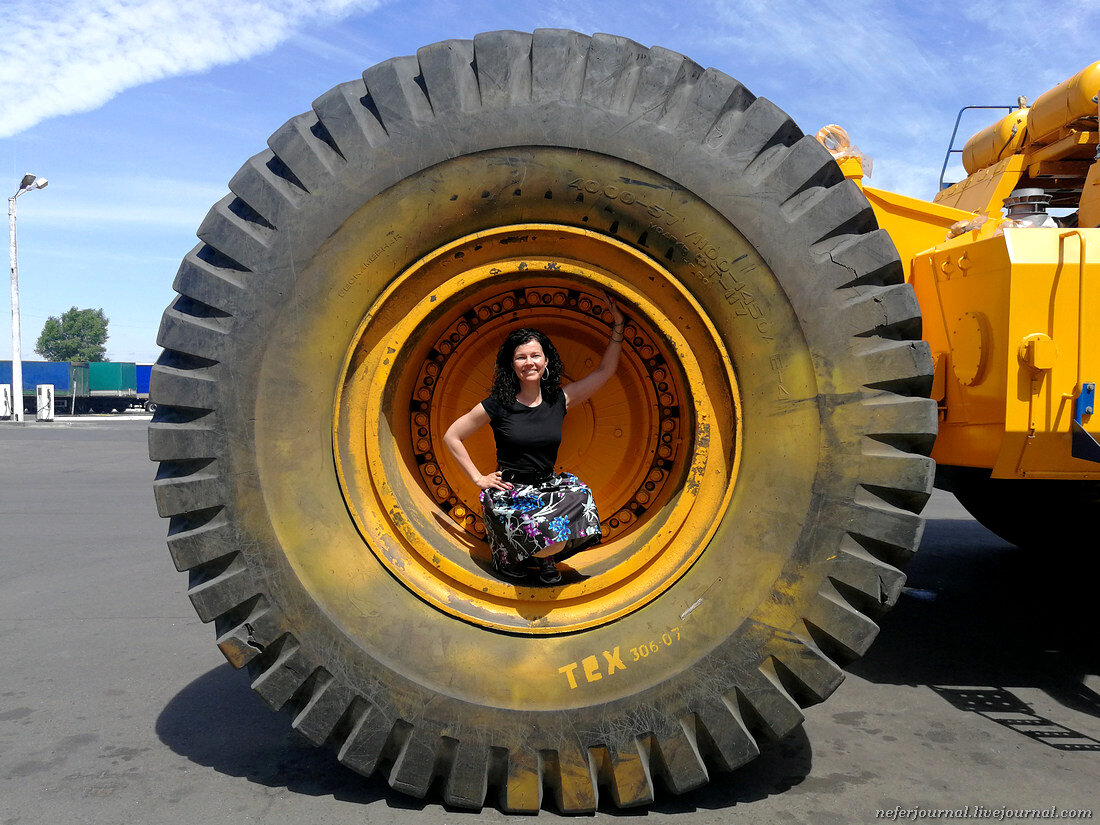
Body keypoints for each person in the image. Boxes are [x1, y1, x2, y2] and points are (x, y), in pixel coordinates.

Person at [443, 293, 626, 584]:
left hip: (546, 486)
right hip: (511, 492)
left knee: (581, 496)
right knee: (535, 524)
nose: (529, 362)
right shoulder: (498, 404)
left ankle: (542, 555)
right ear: (512, 364)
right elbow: (452, 435)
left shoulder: (560, 399)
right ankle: (525, 556)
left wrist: (618, 327)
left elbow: (605, 372)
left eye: (535, 355)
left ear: (545, 361)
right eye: (521, 357)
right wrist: (478, 478)